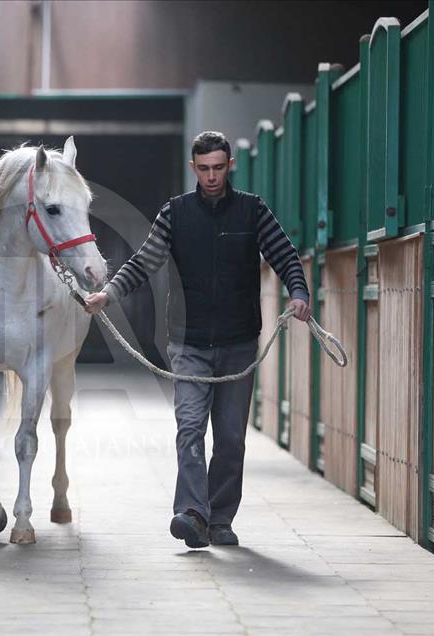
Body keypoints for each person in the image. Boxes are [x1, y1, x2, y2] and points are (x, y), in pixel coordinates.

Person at [84, 131, 311, 549]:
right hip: (187, 344)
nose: (211, 176)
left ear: (229, 166)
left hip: (239, 344)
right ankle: (192, 513)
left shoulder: (252, 211)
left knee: (229, 438)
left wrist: (299, 293)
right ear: (194, 168)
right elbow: (144, 262)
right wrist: (109, 294)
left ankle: (220, 519)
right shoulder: (175, 214)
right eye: (204, 169)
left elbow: (284, 254)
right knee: (190, 427)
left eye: (219, 168)